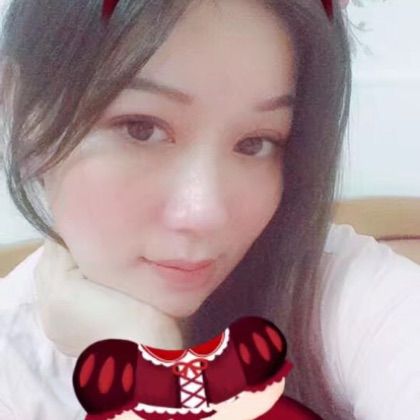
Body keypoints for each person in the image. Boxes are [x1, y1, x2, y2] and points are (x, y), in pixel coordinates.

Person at [0, 0, 419, 419]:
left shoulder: (341, 294)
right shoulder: (14, 370)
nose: (205, 213)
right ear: (24, 116)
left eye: (255, 143)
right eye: (141, 129)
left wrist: (152, 370)